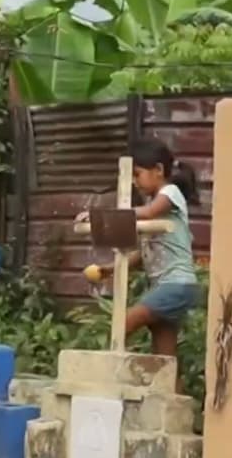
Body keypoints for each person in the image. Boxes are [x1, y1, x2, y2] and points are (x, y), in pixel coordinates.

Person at [77, 138, 200, 374]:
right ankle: (176, 404)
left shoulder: (169, 193)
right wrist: (109, 269)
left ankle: (104, 375)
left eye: (138, 174)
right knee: (165, 361)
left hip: (176, 284)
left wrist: (101, 217)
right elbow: (142, 256)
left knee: (123, 325)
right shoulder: (154, 205)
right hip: (165, 286)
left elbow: (150, 212)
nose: (135, 182)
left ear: (159, 171)